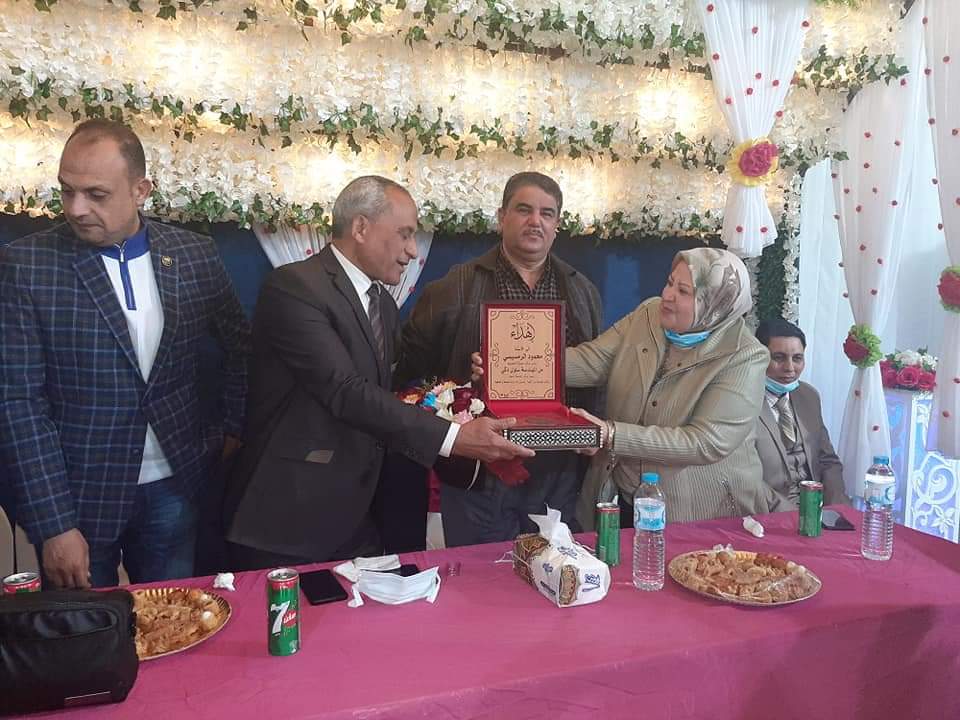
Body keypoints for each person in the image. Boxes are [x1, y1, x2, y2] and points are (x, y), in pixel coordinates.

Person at [222, 176, 533, 570]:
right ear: (360, 227)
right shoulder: (295, 287)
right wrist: (453, 437)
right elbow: (345, 390)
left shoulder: (382, 303)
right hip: (292, 515)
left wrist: (469, 390)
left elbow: (394, 392)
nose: (412, 251)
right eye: (405, 234)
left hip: (359, 515)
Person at [0, 119, 251, 589]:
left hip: (177, 484)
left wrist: (232, 427)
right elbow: (18, 403)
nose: (76, 208)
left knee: (173, 617)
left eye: (96, 194)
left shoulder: (194, 254)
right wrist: (54, 523)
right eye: (67, 191)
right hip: (78, 497)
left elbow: (240, 348)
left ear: (141, 190)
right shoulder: (28, 265)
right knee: (85, 626)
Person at [397, 172, 603, 547]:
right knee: (482, 576)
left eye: (546, 213)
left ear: (557, 224)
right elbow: (411, 380)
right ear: (501, 216)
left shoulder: (582, 291)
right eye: (524, 210)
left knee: (554, 571)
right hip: (480, 474)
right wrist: (464, 379)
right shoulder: (453, 287)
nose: (535, 221)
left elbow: (594, 372)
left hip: (558, 473)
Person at [559, 248, 784, 529]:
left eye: (684, 291)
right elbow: (591, 362)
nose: (668, 295)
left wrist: (612, 434)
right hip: (625, 492)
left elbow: (705, 442)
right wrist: (518, 363)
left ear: (714, 302)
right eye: (669, 283)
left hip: (701, 511)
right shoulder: (648, 314)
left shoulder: (745, 356)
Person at [754, 319, 847, 506]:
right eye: (778, 358)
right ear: (758, 357)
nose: (789, 368)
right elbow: (744, 477)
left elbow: (828, 460)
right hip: (768, 509)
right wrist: (791, 515)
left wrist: (837, 509)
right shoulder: (742, 402)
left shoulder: (808, 395)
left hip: (815, 505)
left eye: (797, 358)